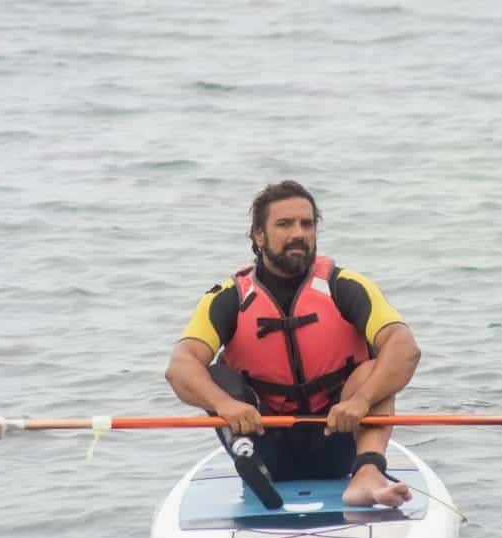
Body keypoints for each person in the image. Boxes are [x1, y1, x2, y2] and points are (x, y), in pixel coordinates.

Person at [165, 180, 420, 508]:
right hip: (262, 443)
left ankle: (367, 475)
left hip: (339, 435)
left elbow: (404, 346)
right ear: (258, 236)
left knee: (375, 368)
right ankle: (250, 464)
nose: (298, 233)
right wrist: (224, 404)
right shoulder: (229, 297)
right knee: (215, 375)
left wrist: (362, 401)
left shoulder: (347, 286)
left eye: (307, 224)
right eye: (284, 224)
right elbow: (180, 365)